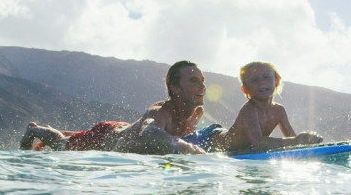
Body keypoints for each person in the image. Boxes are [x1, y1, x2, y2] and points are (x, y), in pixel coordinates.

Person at [19, 60, 209, 155]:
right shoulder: (161, 112)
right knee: (62, 145)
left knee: (76, 136)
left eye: (202, 80)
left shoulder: (196, 112)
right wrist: (190, 148)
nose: (202, 86)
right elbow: (149, 131)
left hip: (124, 129)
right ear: (175, 88)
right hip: (105, 136)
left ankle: (69, 133)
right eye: (194, 81)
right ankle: (35, 130)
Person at [212, 61, 322, 153]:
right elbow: (258, 143)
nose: (262, 82)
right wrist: (297, 141)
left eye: (266, 77)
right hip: (211, 140)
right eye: (255, 80)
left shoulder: (279, 111)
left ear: (276, 81)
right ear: (245, 89)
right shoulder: (249, 110)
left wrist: (307, 141)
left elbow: (292, 140)